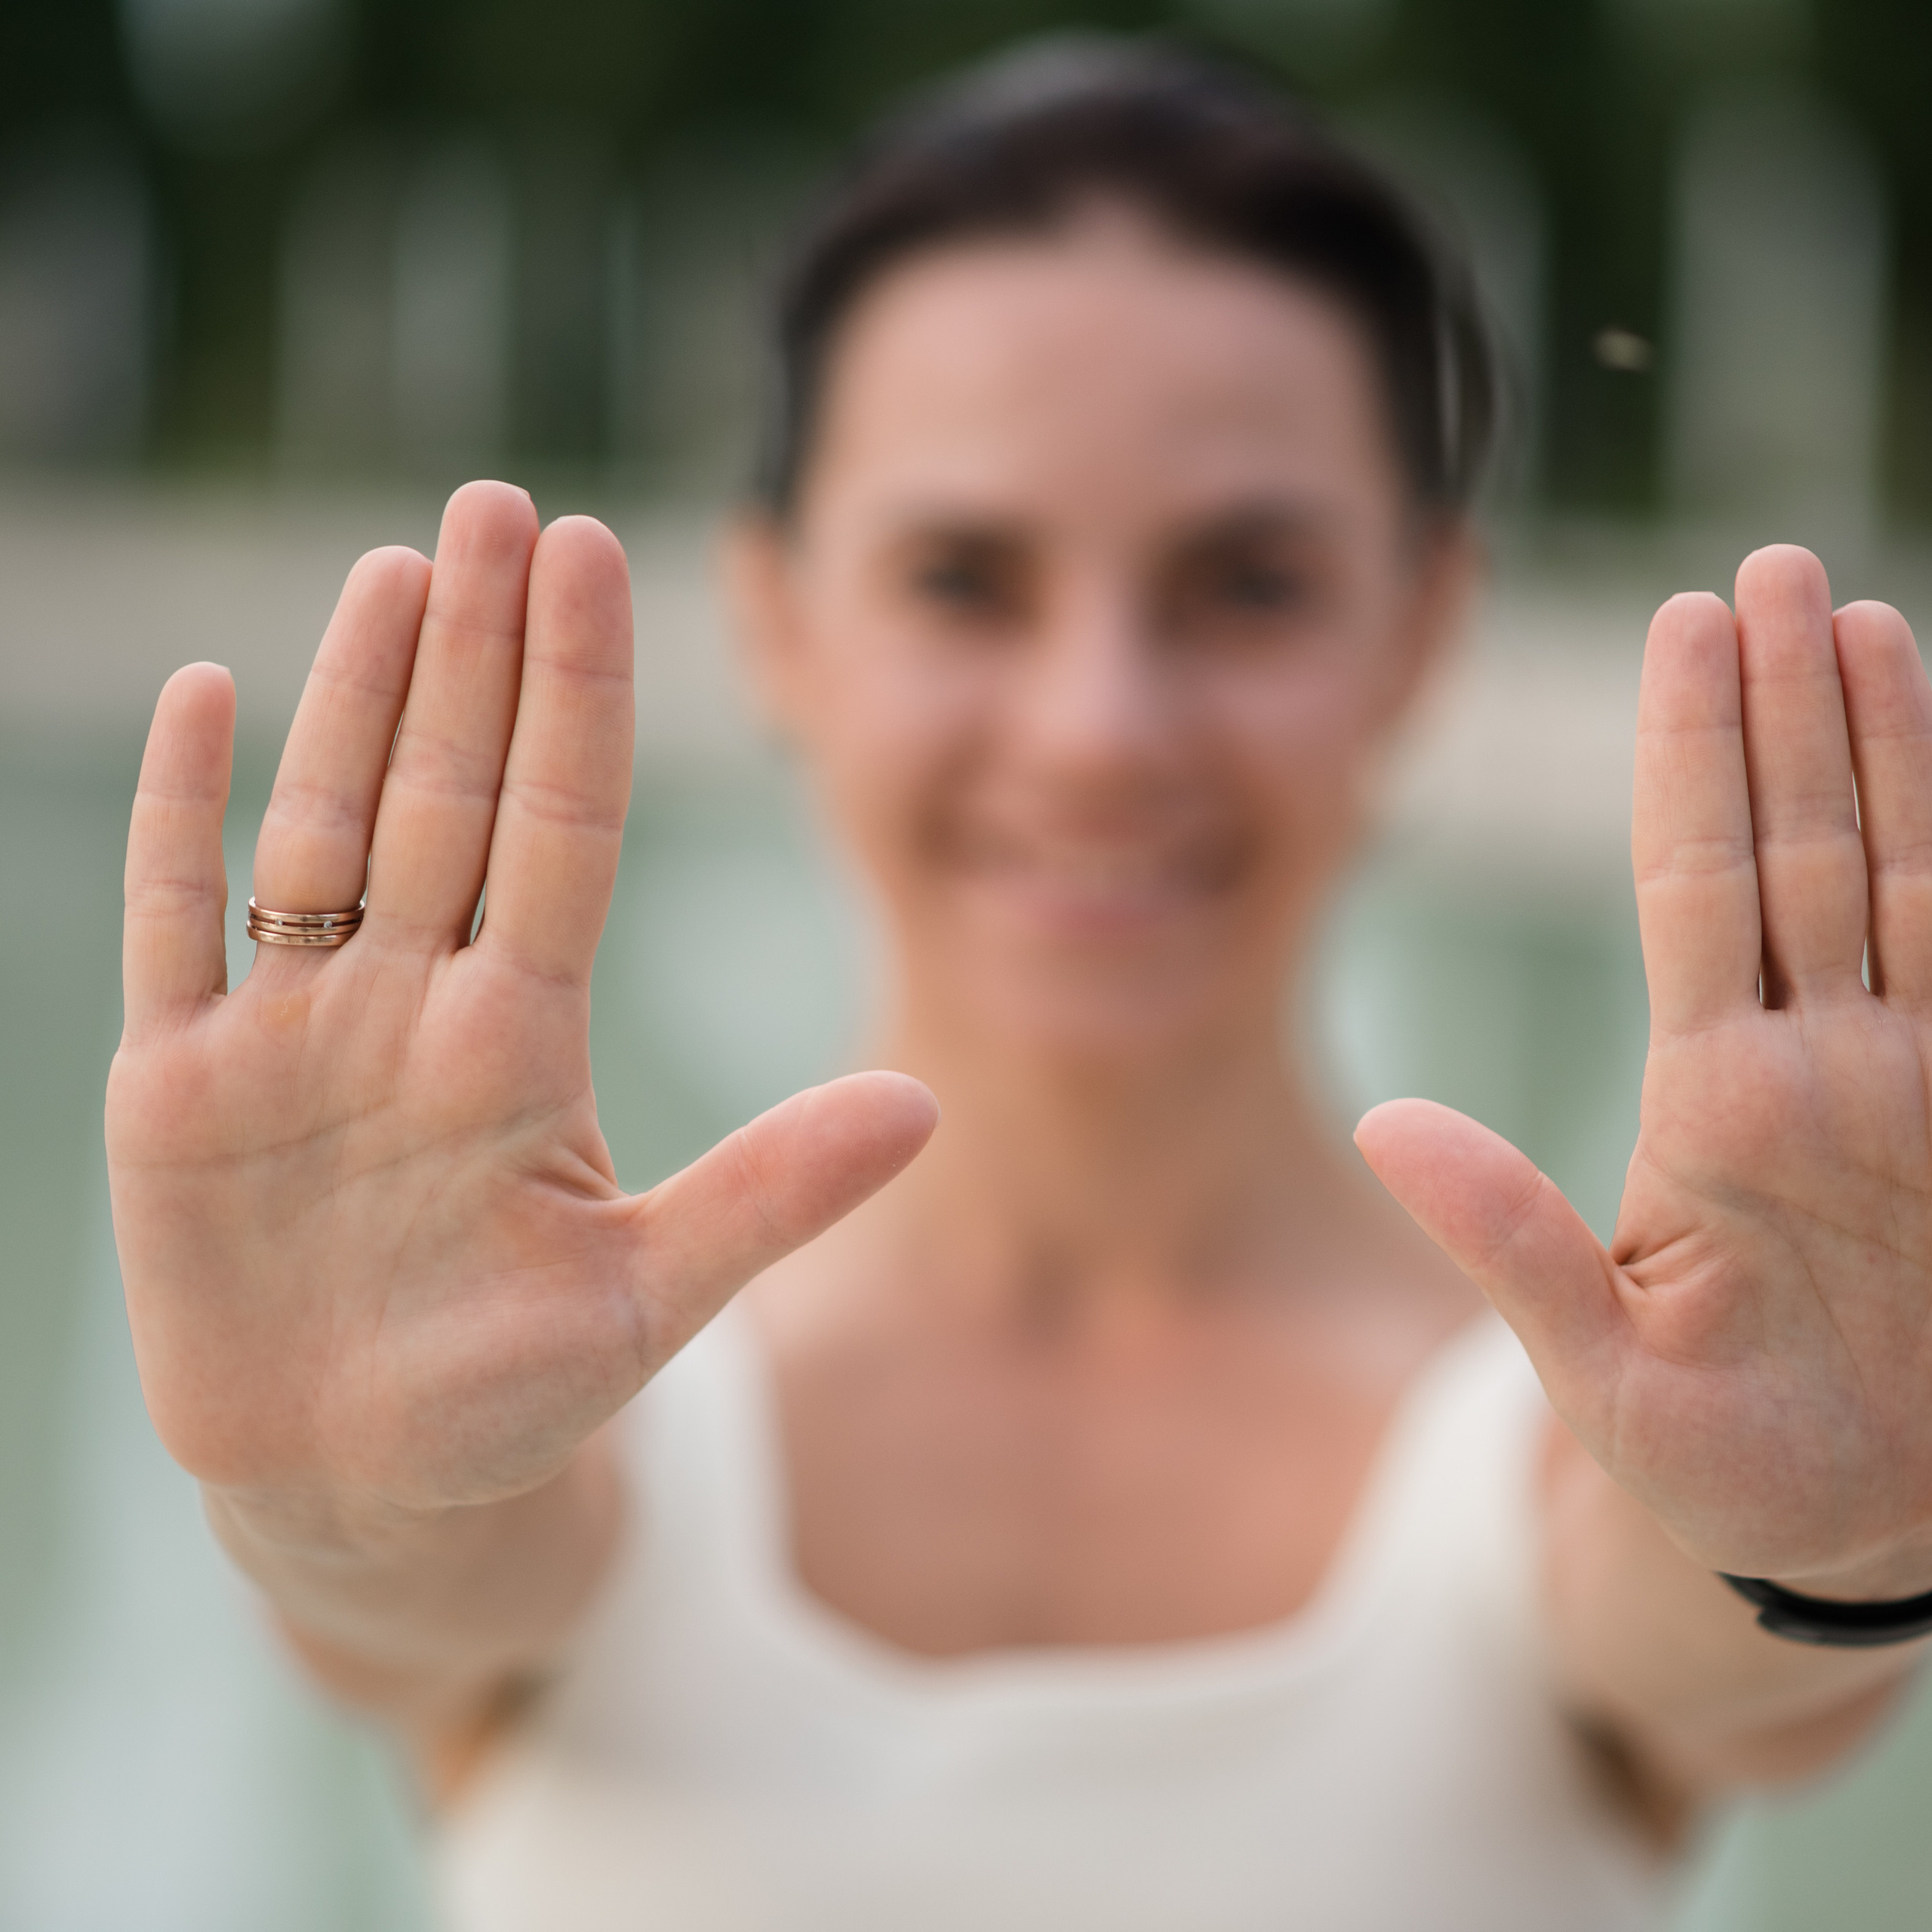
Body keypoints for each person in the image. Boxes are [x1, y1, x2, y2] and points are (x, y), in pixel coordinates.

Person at [105, 37, 1932, 1932]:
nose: (1097, 729)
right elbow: (416, 1571)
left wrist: (1840, 1534)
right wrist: (328, 1497)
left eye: (1246, 582)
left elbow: (1725, 1636)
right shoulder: (548, 1378)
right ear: (774, 612)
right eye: (963, 578)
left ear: (1420, 626)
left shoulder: (1604, 1431)